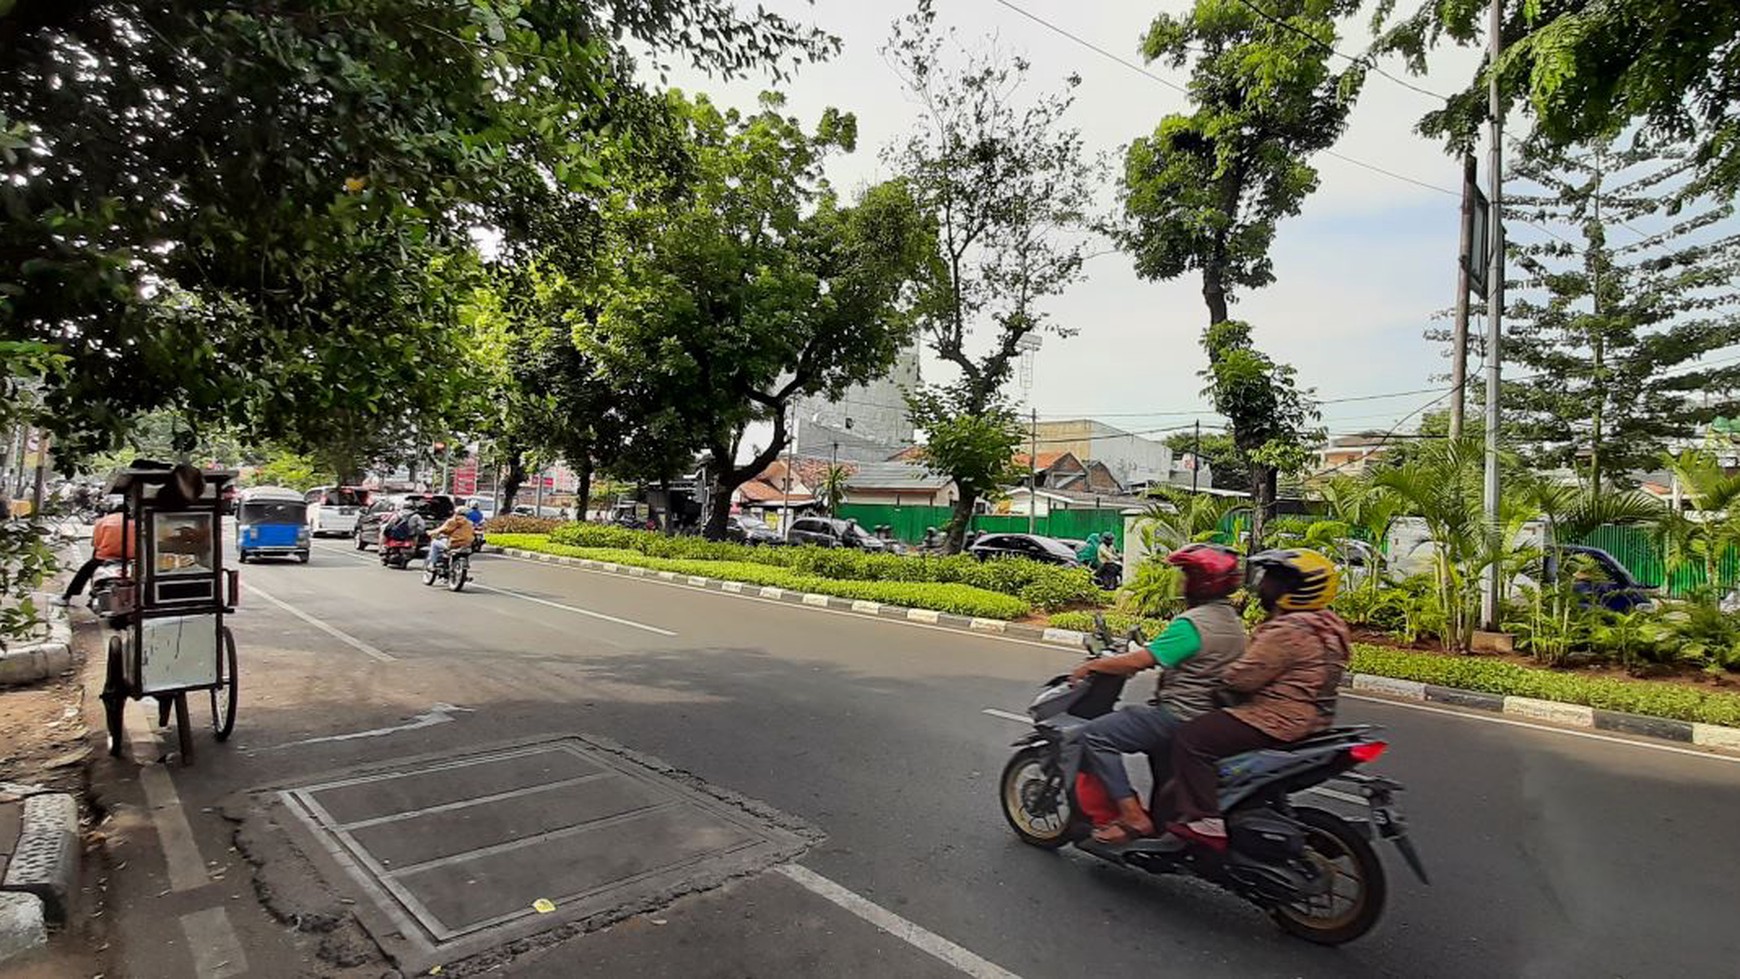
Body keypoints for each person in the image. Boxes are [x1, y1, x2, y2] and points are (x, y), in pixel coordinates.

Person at [1158, 548, 1351, 851]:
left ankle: (1205, 823)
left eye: (1273, 579)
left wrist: (1222, 676)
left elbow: (1243, 678)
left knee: (1192, 738)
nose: (1262, 585)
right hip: (1316, 721)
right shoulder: (1329, 624)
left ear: (1297, 589)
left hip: (1276, 719)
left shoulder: (1288, 631)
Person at [1068, 544, 1245, 843]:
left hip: (1178, 714)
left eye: (1186, 575)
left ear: (1201, 582)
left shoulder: (1192, 623)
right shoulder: (1232, 621)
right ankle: (1164, 819)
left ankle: (1132, 816)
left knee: (1096, 735)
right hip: (1208, 715)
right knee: (1160, 759)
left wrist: (1095, 666)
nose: (1182, 582)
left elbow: (1142, 659)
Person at [57, 500, 133, 605]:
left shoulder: (102, 521)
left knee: (84, 572)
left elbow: (96, 544)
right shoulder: (135, 521)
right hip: (132, 557)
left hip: (105, 557)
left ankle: (67, 596)